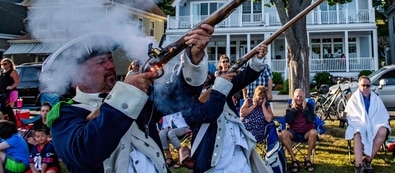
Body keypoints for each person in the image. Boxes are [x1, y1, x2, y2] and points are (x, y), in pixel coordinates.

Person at [44, 25, 213, 173]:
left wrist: (194, 58)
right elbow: (84, 153)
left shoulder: (135, 97)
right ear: (76, 75)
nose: (111, 65)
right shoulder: (65, 115)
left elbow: (180, 98)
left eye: (110, 59)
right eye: (101, 61)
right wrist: (126, 93)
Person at [160, 44, 271, 173]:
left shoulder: (219, 85)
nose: (204, 74)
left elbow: (243, 78)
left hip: (239, 153)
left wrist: (257, 59)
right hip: (215, 161)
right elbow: (209, 113)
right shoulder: (186, 101)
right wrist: (220, 86)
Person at [345, 76, 390, 173]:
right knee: (358, 132)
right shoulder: (354, 98)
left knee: (383, 130)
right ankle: (358, 164)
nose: (365, 87)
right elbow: (351, 114)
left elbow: (382, 113)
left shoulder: (376, 98)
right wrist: (363, 123)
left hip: (374, 123)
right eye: (363, 85)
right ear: (359, 86)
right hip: (358, 122)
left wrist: (375, 123)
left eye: (368, 85)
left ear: (370, 86)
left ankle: (368, 160)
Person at [280, 88, 318, 173]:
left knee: (314, 132)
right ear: (294, 98)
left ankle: (307, 159)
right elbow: (288, 121)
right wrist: (293, 109)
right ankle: (294, 160)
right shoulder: (290, 107)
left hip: (306, 133)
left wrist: (305, 109)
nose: (299, 98)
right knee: (284, 133)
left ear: (304, 97)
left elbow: (311, 119)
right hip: (294, 133)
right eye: (297, 96)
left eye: (301, 96)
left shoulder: (309, 106)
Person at [0, 58, 19, 123]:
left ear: (9, 64)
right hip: (2, 92)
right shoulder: (2, 72)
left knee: (7, 108)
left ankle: (13, 123)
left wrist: (11, 86)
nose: (3, 65)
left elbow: (17, 82)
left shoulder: (12, 72)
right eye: (2, 64)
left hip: (10, 93)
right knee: (3, 109)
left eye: (5, 64)